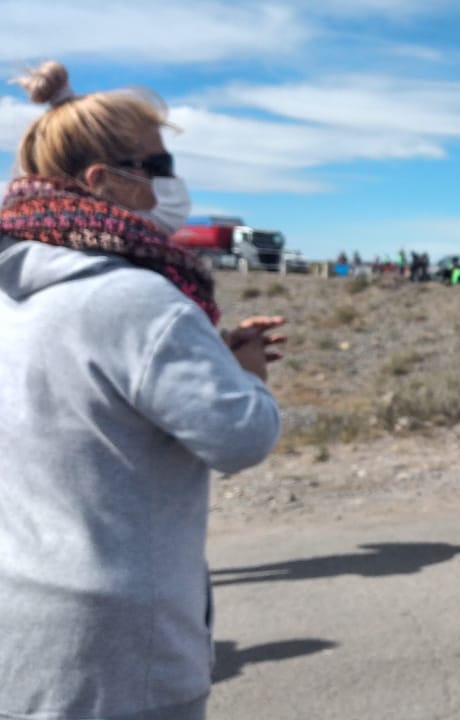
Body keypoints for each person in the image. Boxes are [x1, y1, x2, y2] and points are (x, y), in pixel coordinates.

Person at [0, 62, 282, 720]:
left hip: (17, 629)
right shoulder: (137, 298)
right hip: (118, 649)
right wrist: (246, 375)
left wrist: (204, 360)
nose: (172, 184)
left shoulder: (13, 288)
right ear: (105, 181)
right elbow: (240, 436)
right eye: (160, 165)